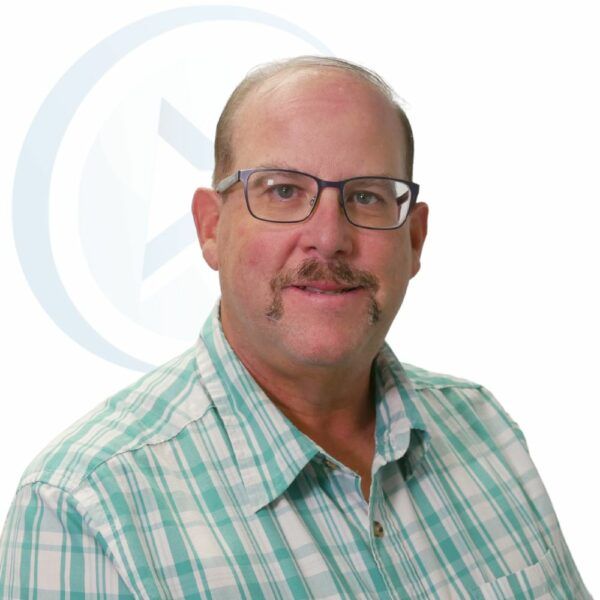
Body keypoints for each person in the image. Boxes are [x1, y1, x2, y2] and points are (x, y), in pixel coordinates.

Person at [0, 56, 591, 599]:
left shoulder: (486, 430)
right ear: (210, 228)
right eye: (283, 191)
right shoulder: (83, 507)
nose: (329, 238)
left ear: (414, 240)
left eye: (367, 197)